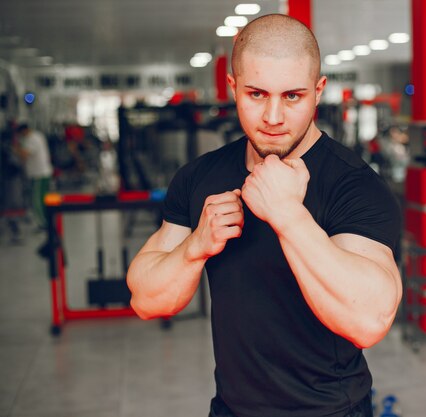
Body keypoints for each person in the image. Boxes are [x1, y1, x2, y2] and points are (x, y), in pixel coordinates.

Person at [127, 14, 402, 417]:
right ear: (233, 87)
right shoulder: (202, 175)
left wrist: (288, 215)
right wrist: (195, 246)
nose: (273, 117)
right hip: (231, 409)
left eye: (292, 96)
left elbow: (369, 321)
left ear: (318, 91)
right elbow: (146, 298)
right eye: (257, 94)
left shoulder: (354, 185)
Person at [13, 123, 53, 230]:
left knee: (37, 201)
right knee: (42, 199)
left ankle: (43, 224)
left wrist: (15, 147)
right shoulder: (36, 136)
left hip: (39, 174)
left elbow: (24, 154)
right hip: (41, 173)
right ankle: (46, 222)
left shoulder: (32, 139)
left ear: (24, 130)